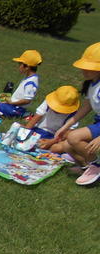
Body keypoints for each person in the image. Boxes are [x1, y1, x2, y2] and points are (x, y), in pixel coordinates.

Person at [52, 43, 100, 185]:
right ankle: (86, 167)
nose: (85, 70)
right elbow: (87, 106)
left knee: (74, 137)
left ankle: (96, 166)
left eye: (90, 68)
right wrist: (65, 127)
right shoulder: (92, 83)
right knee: (67, 145)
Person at [0, 50, 42, 117]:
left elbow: (27, 100)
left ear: (27, 67)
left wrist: (12, 103)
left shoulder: (31, 82)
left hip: (16, 109)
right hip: (12, 106)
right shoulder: (29, 78)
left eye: (20, 64)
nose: (19, 66)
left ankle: (24, 114)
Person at [24, 86, 80, 151]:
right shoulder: (48, 102)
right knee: (20, 129)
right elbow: (36, 118)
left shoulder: (74, 114)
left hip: (55, 137)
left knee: (59, 148)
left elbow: (67, 133)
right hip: (37, 130)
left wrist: (51, 141)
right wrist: (25, 131)